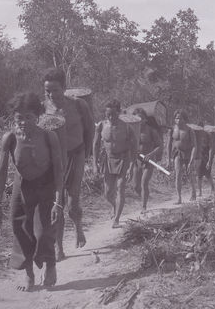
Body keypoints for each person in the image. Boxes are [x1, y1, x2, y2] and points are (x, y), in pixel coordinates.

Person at [0, 92, 64, 291]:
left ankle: (50, 265)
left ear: (38, 117)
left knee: (43, 232)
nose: (23, 122)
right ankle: (30, 274)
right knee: (20, 231)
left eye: (29, 117)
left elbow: (59, 170)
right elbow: (1, 173)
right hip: (21, 188)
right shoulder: (10, 139)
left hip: (45, 187)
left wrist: (59, 201)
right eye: (19, 118)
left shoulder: (49, 137)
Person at [43, 68, 94, 258]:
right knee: (57, 203)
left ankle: (79, 227)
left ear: (64, 88)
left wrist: (88, 156)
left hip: (76, 155)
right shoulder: (43, 108)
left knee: (73, 201)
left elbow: (90, 130)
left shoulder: (79, 105)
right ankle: (59, 247)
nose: (51, 94)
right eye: (47, 90)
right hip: (54, 160)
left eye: (55, 90)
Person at [93, 100, 136, 228]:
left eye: (113, 114)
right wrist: (95, 164)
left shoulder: (127, 127)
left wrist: (132, 166)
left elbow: (134, 147)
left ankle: (116, 219)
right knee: (107, 193)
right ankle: (114, 206)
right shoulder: (101, 126)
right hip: (108, 159)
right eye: (108, 114)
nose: (111, 117)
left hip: (124, 158)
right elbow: (95, 145)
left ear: (118, 112)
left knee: (120, 187)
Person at [130, 108, 164, 212]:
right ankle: (144, 198)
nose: (139, 121)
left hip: (149, 161)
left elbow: (160, 146)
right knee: (135, 186)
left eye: (141, 119)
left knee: (144, 183)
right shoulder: (131, 131)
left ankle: (144, 206)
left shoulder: (151, 131)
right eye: (136, 119)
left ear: (145, 119)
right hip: (136, 161)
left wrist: (150, 154)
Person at [167, 109, 197, 204]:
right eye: (176, 118)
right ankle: (179, 198)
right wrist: (168, 159)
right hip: (177, 153)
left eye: (180, 118)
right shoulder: (172, 130)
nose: (178, 120)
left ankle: (193, 192)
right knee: (178, 175)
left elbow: (194, 146)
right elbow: (168, 145)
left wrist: (192, 159)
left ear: (184, 119)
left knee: (190, 174)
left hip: (188, 153)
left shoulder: (189, 130)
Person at [197, 121, 215, 197]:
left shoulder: (208, 135)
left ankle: (213, 188)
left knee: (207, 174)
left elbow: (211, 148)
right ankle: (200, 192)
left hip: (207, 156)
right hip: (199, 157)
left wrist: (209, 160)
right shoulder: (196, 135)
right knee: (199, 175)